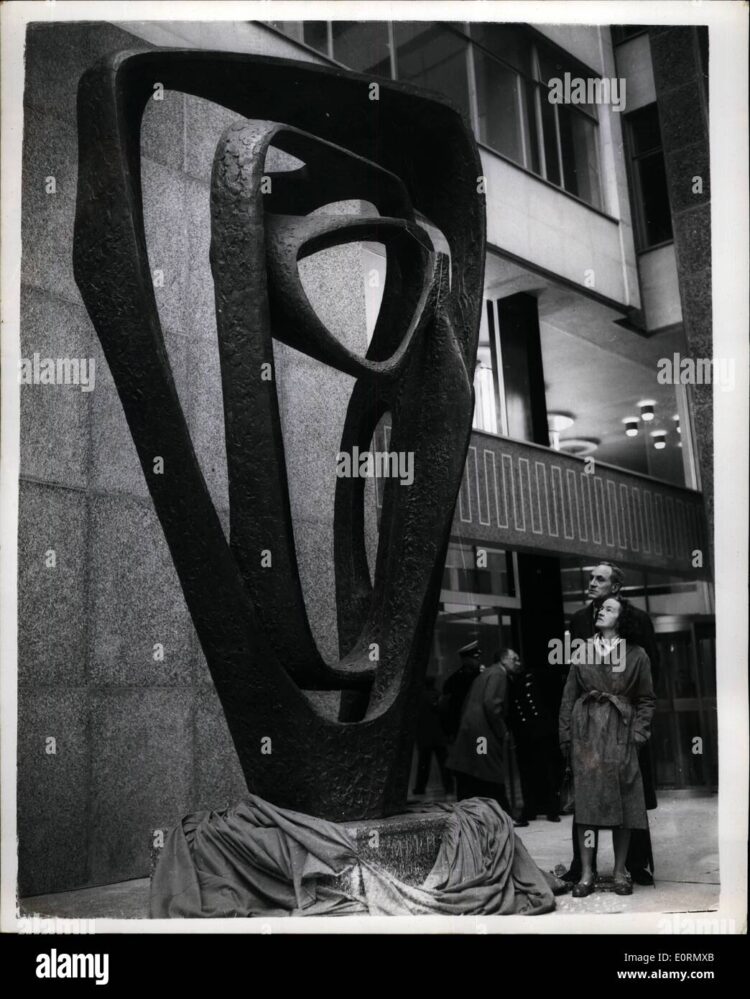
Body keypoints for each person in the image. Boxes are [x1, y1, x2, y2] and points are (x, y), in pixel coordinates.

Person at [562, 561, 660, 887]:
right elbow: (571, 682)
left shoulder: (637, 623)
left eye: (599, 579)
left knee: (628, 797)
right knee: (587, 801)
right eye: (590, 577)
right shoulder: (579, 620)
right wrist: (569, 732)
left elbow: (649, 679)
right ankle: (584, 868)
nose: (591, 583)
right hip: (588, 729)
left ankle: (633, 865)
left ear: (615, 587)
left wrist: (639, 728)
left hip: (623, 724)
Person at [446, 648, 511, 812]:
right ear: (503, 660)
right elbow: (491, 703)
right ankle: (502, 812)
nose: (518, 663)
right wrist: (502, 731)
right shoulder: (498, 674)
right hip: (483, 731)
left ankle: (479, 812)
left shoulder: (485, 673)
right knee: (488, 770)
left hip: (471, 729)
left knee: (475, 771)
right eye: (514, 659)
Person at [504, 649, 561, 825]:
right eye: (514, 660)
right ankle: (530, 809)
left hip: (541, 732)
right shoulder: (508, 681)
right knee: (527, 773)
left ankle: (553, 809)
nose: (518, 663)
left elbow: (550, 702)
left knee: (546, 770)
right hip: (523, 734)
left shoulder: (534, 677)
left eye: (518, 659)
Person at [412, 677, 452, 797]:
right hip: (439, 736)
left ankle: (420, 788)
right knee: (443, 764)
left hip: (424, 736)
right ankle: (449, 787)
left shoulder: (418, 698)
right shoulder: (438, 696)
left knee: (423, 765)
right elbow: (445, 715)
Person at [439, 640, 482, 740]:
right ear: (465, 660)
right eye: (475, 658)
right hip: (461, 726)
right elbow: (446, 706)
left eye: (478, 657)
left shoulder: (482, 676)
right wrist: (449, 730)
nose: (478, 660)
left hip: (479, 725)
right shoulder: (454, 680)